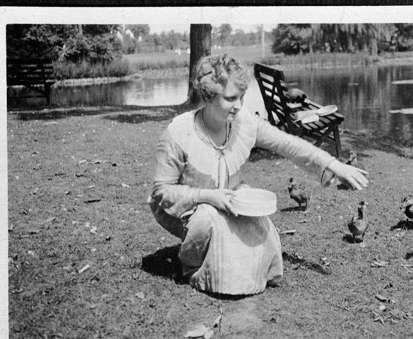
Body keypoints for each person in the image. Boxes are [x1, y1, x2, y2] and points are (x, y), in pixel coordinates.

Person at [148, 54, 368, 296]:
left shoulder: (243, 123)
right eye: (230, 98)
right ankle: (194, 267)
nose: (239, 105)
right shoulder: (179, 133)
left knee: (261, 229)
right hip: (189, 207)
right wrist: (208, 196)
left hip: (231, 196)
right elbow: (161, 191)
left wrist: (334, 164)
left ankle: (233, 262)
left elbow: (288, 144)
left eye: (242, 97)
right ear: (209, 97)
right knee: (210, 220)